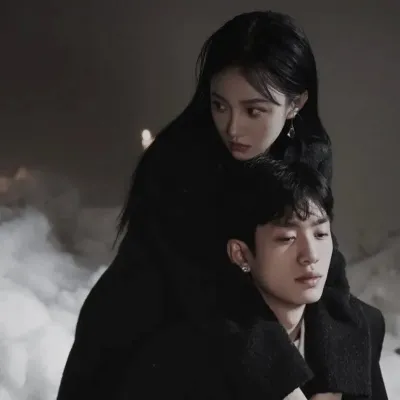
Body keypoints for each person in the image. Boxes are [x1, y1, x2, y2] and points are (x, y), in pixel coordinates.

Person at [57, 11, 352, 399]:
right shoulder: (179, 164)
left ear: (295, 104)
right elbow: (208, 289)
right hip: (153, 330)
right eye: (219, 105)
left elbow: (327, 264)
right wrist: (286, 384)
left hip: (240, 327)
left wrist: (331, 382)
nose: (232, 127)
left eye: (253, 110)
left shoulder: (307, 155)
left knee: (356, 331)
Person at [116, 160, 388, 399]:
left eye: (320, 234)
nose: (310, 255)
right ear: (241, 254)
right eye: (287, 238)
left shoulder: (362, 327)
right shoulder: (184, 353)